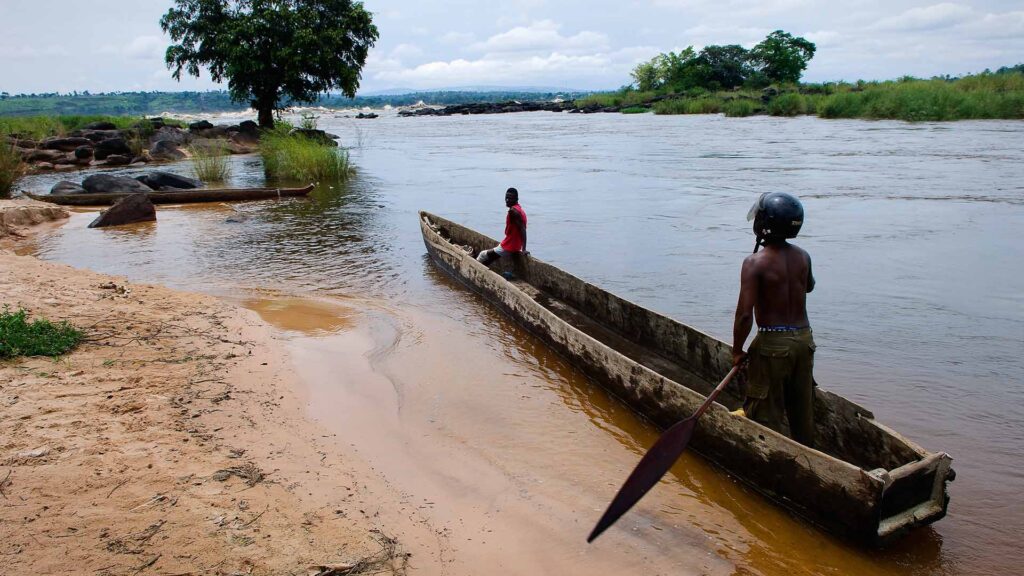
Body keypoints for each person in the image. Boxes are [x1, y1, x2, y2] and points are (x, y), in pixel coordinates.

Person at [731, 192, 816, 446]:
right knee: (802, 410)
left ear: (764, 224)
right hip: (804, 340)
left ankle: (770, 457)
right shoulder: (803, 256)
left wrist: (737, 350)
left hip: (772, 345)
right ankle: (807, 452)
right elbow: (808, 287)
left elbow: (745, 314)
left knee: (764, 413)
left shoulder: (754, 263)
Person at [477, 187, 527, 266]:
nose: (507, 200)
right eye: (506, 198)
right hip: (513, 243)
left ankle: (476, 270)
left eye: (510, 198)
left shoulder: (513, 211)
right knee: (490, 259)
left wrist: (523, 249)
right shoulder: (519, 209)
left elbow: (523, 229)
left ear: (516, 199)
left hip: (510, 245)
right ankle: (484, 268)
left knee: (482, 255)